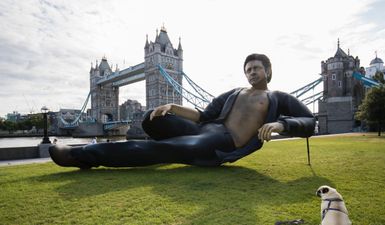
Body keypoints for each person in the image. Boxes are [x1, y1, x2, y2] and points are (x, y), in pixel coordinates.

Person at [49, 53, 315, 169]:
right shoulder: (234, 93)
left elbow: (309, 121)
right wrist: (172, 106)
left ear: (267, 71)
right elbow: (203, 115)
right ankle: (176, 147)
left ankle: (83, 155)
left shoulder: (277, 97)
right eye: (248, 70)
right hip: (204, 130)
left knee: (157, 149)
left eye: (256, 68)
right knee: (153, 116)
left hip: (221, 142)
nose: (251, 73)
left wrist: (282, 125)